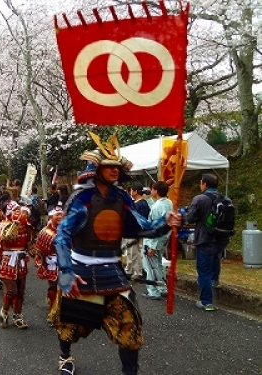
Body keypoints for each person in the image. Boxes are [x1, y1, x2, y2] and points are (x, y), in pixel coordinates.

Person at [51, 136, 182, 375]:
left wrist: (166, 222)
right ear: (96, 170)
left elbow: (142, 227)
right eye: (109, 166)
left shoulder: (121, 198)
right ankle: (65, 356)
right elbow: (61, 237)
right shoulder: (81, 199)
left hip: (113, 273)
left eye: (117, 167)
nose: (115, 170)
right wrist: (66, 272)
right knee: (70, 323)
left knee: (129, 327)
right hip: (81, 271)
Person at [185, 173, 229, 311]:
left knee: (203, 272)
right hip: (222, 238)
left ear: (204, 184)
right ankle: (215, 281)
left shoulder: (200, 199)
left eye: (201, 183)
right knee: (216, 257)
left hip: (205, 239)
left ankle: (207, 302)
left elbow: (190, 218)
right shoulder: (226, 199)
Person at [0, 201, 33, 329]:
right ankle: (4, 312)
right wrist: (13, 226)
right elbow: (7, 238)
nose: (20, 212)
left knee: (20, 292)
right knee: (11, 291)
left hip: (21, 260)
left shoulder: (27, 226)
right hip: (8, 260)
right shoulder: (4, 226)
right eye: (16, 211)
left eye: (20, 210)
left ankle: (17, 316)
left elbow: (29, 243)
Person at [33, 205, 64, 325]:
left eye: (61, 214)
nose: (60, 217)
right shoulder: (45, 232)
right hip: (52, 262)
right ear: (51, 216)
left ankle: (62, 311)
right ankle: (52, 312)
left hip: (65, 262)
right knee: (53, 287)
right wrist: (41, 264)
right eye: (57, 215)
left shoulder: (67, 229)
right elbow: (40, 252)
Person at [141, 181, 172, 300]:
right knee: (158, 265)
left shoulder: (157, 207)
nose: (151, 191)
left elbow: (155, 228)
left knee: (150, 267)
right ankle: (162, 288)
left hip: (153, 241)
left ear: (156, 191)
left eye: (152, 189)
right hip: (163, 240)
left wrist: (151, 246)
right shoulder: (168, 203)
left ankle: (153, 291)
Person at [123, 182, 150, 278]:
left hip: (136, 232)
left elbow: (140, 219)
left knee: (135, 252)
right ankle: (129, 269)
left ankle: (137, 272)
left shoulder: (141, 204)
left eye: (131, 190)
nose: (130, 192)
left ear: (135, 191)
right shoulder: (135, 203)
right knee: (130, 252)